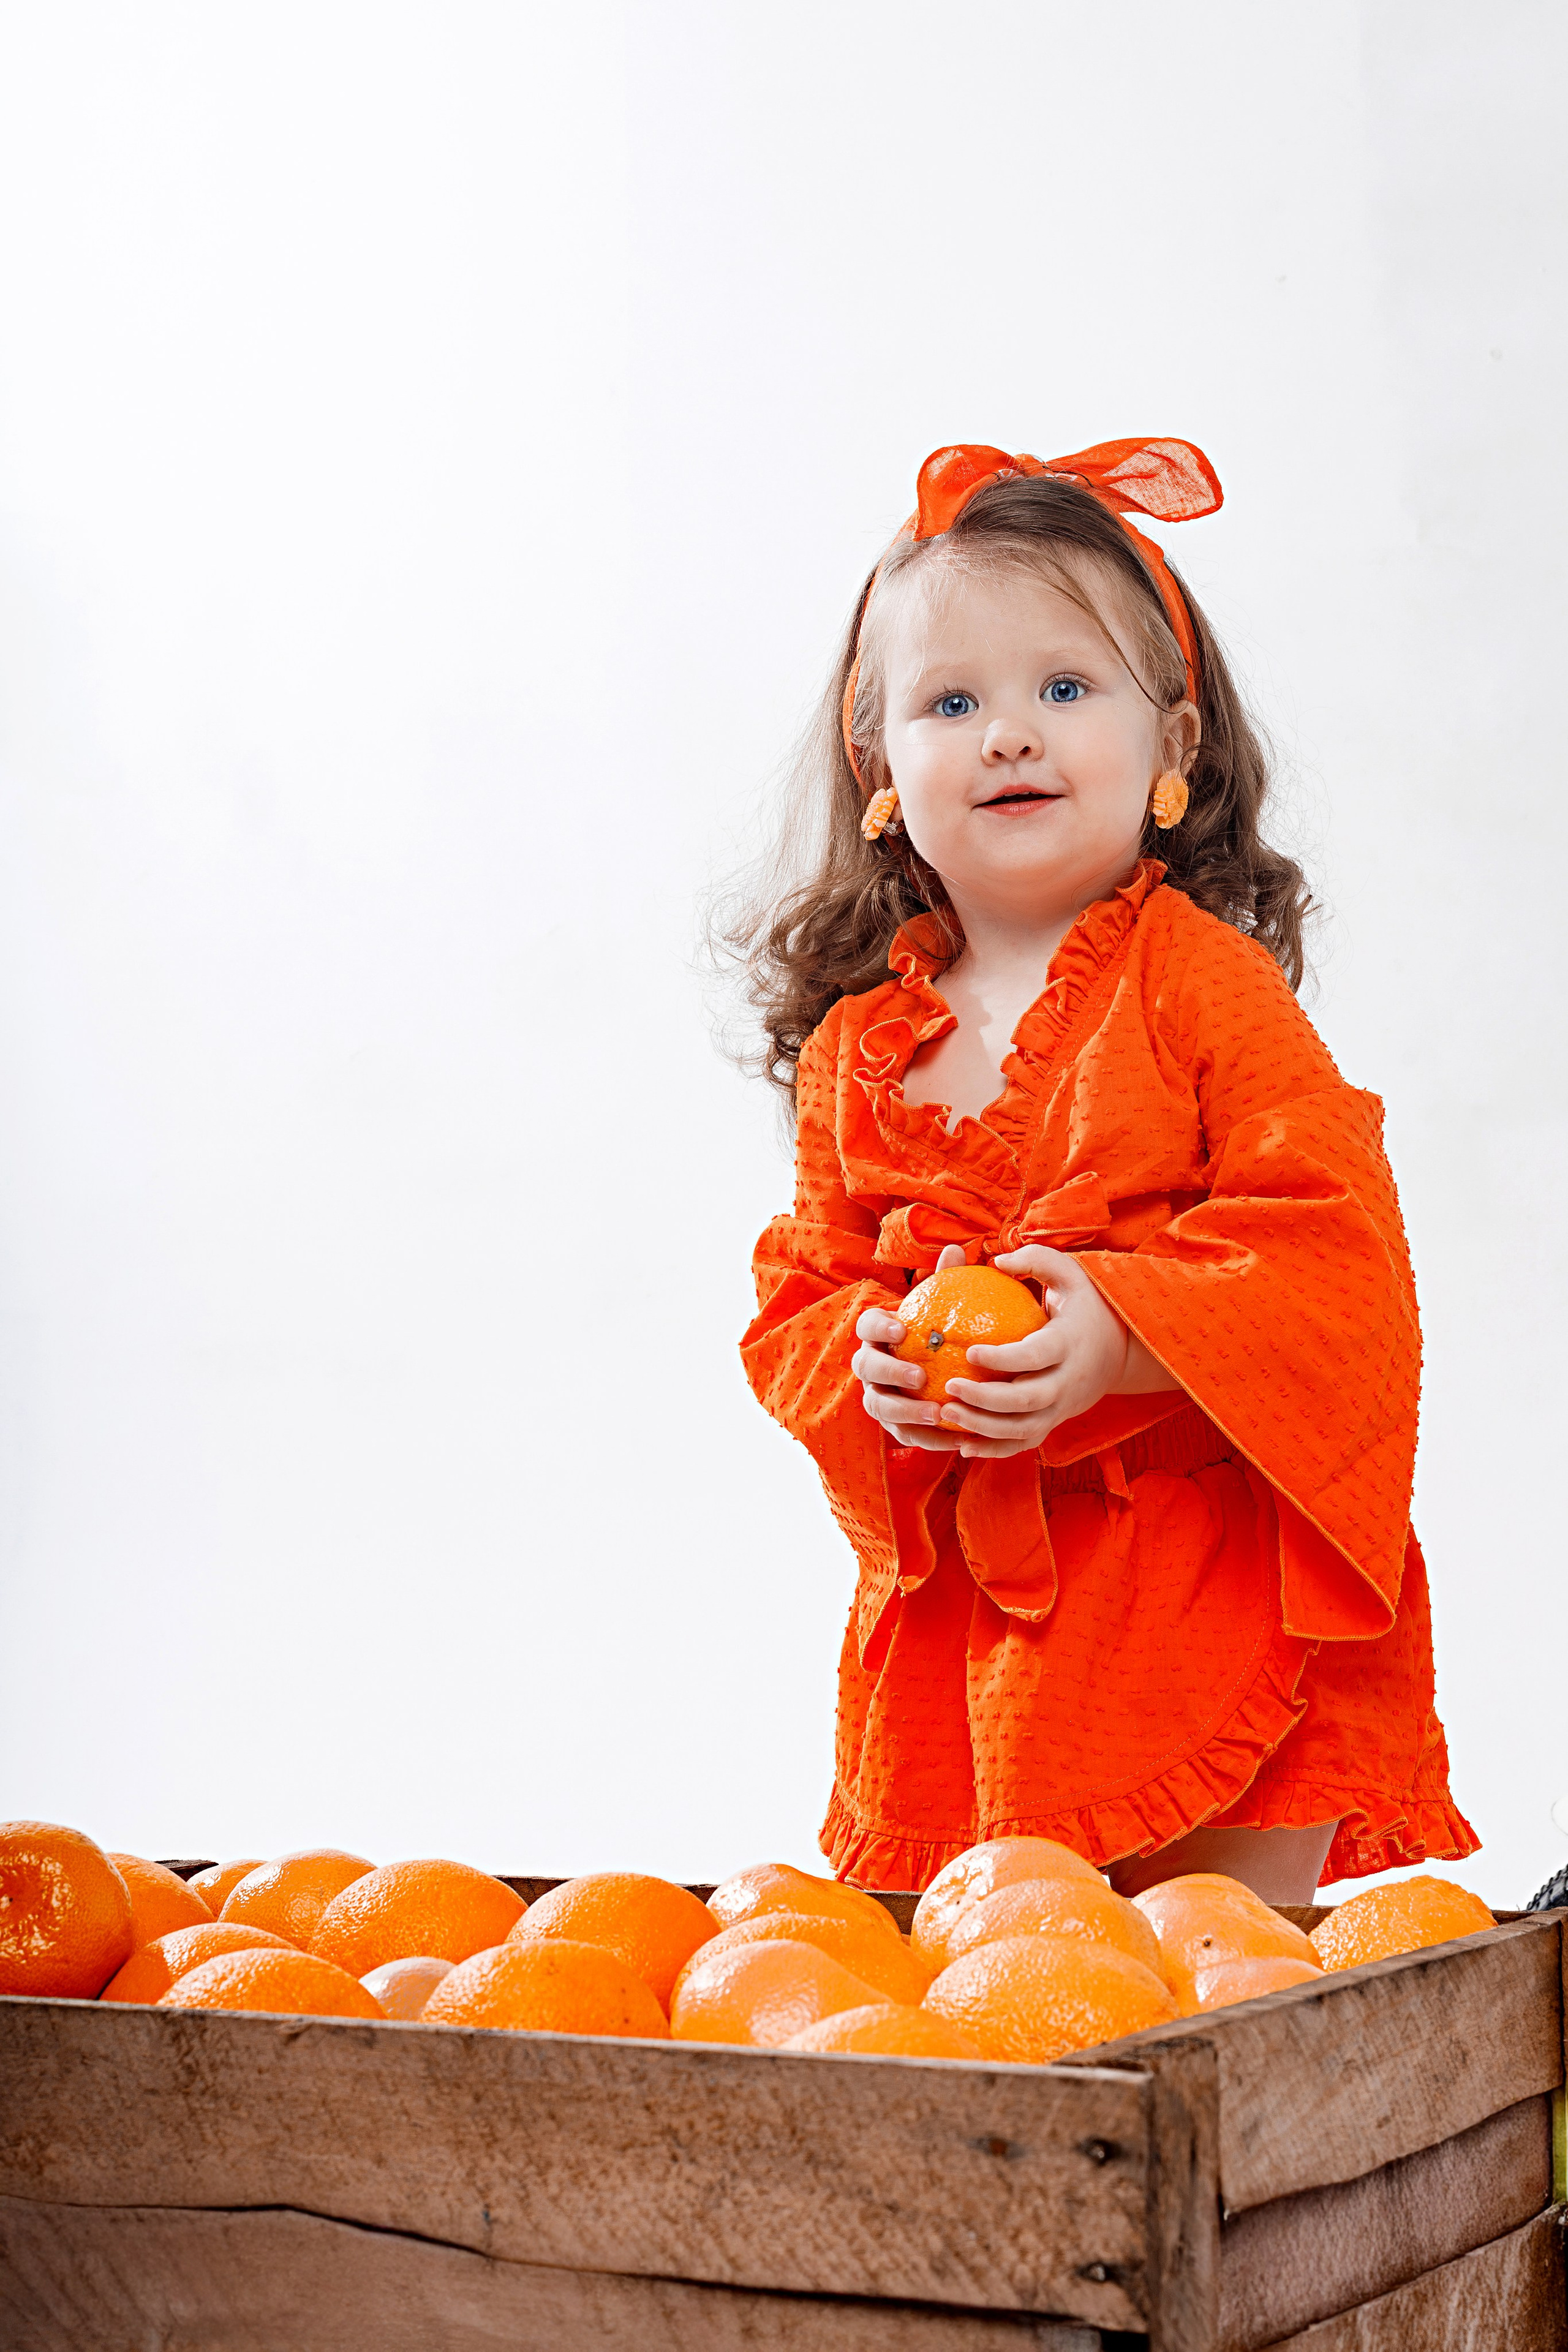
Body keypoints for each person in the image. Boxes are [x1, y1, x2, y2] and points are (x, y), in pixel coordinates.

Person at [735, 439, 1475, 1905]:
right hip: (971, 1660)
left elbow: (1334, 1259)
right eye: (952, 703)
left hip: (1207, 1604)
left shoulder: (1201, 990)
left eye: (1063, 689)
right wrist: (873, 1360)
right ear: (880, 773)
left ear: (1173, 751)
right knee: (1010, 2002)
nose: (1010, 733)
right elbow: (798, 1306)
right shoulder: (854, 1055)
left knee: (1212, 1985)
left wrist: (1122, 1335)